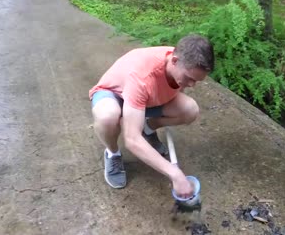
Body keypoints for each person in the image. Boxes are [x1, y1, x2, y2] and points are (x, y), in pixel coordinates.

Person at [89, 34, 214, 199]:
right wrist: (174, 173)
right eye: (189, 79)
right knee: (108, 117)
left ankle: (147, 129)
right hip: (115, 95)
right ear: (174, 61)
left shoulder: (181, 60)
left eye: (196, 81)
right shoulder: (142, 77)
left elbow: (178, 87)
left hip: (146, 100)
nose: (192, 85)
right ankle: (112, 153)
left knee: (190, 109)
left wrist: (182, 82)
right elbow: (132, 140)